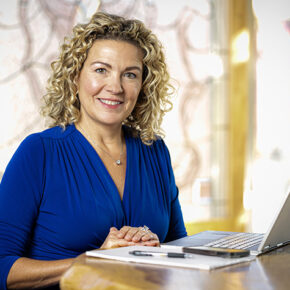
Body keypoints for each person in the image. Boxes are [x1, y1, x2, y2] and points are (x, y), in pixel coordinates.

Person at [0, 11, 187, 289]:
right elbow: (3, 267)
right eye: (101, 70)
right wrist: (94, 260)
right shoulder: (39, 153)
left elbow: (180, 248)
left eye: (130, 74)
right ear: (75, 77)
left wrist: (152, 247)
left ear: (143, 86)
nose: (115, 87)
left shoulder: (155, 151)